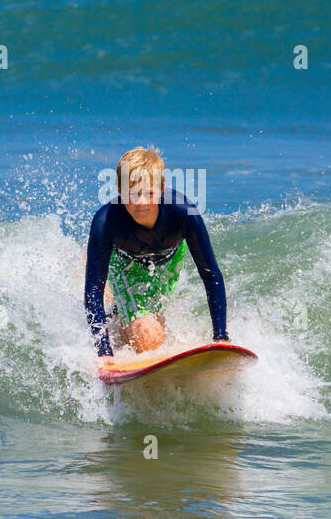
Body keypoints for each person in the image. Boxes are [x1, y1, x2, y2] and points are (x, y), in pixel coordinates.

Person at [84, 147, 228, 361]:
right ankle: (122, 317)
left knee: (153, 317)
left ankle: (118, 315)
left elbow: (211, 275)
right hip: (123, 261)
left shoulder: (184, 213)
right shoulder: (106, 222)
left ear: (161, 188)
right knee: (148, 336)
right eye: (132, 194)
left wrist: (221, 337)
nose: (141, 202)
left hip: (169, 259)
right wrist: (104, 352)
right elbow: (93, 289)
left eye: (149, 193)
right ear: (118, 189)